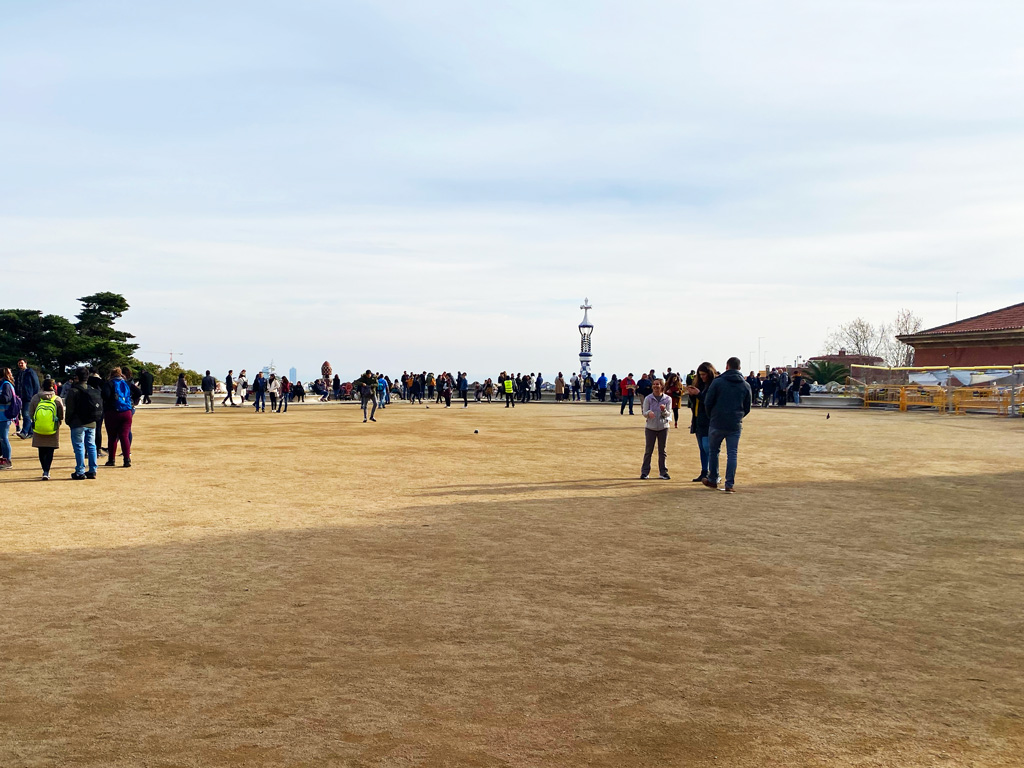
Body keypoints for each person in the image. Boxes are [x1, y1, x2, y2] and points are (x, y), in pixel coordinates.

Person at [702, 357, 752, 493]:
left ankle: (712, 479)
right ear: (739, 368)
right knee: (732, 454)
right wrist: (738, 416)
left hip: (717, 422)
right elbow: (747, 407)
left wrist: (712, 416)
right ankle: (729, 483)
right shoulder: (745, 385)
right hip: (734, 424)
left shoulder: (718, 382)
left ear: (727, 366)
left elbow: (708, 402)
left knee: (714, 452)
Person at [66, 367, 101, 480]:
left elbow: (70, 409)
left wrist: (68, 421)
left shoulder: (73, 391)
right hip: (92, 422)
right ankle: (93, 469)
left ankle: (80, 471)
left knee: (79, 446)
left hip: (78, 422)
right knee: (91, 445)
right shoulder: (92, 389)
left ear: (76, 377)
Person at [685, 362, 717, 483]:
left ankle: (712, 472)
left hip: (708, 421)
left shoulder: (713, 385)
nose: (702, 377)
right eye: (700, 375)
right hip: (698, 419)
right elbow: (695, 403)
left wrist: (699, 394)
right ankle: (704, 471)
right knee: (702, 448)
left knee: (707, 447)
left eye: (704, 374)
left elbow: (709, 402)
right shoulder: (700, 384)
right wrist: (693, 395)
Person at [28, 378, 64, 480]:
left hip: (39, 426)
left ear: (42, 386)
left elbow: (31, 412)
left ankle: (44, 468)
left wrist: (35, 420)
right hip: (52, 427)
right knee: (50, 450)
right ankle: (47, 470)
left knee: (41, 449)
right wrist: (58, 421)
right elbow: (61, 414)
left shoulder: (36, 397)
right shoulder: (57, 399)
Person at [640, 378, 672, 480]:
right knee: (648, 450)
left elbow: (668, 414)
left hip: (663, 427)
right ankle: (645, 472)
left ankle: (663, 472)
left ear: (662, 386)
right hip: (650, 427)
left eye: (658, 384)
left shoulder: (667, 399)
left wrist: (664, 410)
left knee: (662, 451)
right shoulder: (648, 398)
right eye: (654, 384)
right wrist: (648, 413)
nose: (655, 386)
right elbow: (644, 413)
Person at [103, 367, 135, 467]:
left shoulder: (109, 384)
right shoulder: (127, 383)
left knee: (112, 437)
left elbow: (105, 395)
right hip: (127, 412)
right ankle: (127, 459)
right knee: (124, 436)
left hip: (112, 412)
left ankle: (111, 460)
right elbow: (138, 392)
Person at [14, 359, 40, 438]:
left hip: (29, 397)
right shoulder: (18, 374)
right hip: (20, 397)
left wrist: (35, 395)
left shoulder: (30, 372)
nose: (20, 364)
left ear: (26, 363)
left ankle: (24, 432)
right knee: (25, 414)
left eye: (22, 363)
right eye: (19, 363)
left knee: (26, 414)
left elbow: (36, 384)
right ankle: (31, 432)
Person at [0, 367, 17, 469]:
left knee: (4, 438)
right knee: (1, 439)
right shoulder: (3, 384)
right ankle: (4, 459)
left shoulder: (6, 385)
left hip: (4, 417)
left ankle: (7, 460)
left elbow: (6, 398)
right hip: (2, 417)